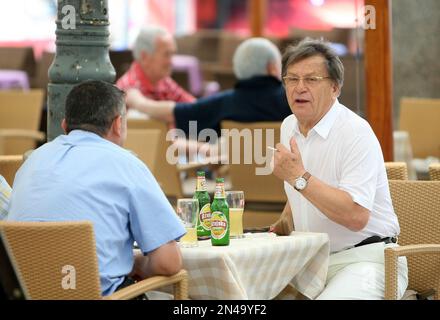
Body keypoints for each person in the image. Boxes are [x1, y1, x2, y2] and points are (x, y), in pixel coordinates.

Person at [6, 80, 185, 296]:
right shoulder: (126, 163)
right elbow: (168, 263)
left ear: (65, 126)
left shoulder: (32, 162)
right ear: (118, 124)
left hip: (29, 293)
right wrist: (137, 264)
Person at [271, 38, 408, 300]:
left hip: (367, 261)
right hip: (309, 263)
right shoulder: (289, 125)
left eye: (311, 79)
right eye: (292, 79)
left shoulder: (355, 132)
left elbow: (356, 216)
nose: (299, 88)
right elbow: (301, 196)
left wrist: (298, 177)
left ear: (335, 87)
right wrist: (281, 225)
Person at [125, 37, 292, 137]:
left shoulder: (224, 103)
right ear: (272, 67)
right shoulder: (293, 100)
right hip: (288, 188)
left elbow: (174, 112)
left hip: (235, 188)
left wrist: (138, 102)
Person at [117, 25, 195, 103]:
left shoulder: (163, 81)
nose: (171, 62)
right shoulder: (127, 88)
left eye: (172, 54)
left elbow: (192, 106)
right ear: (145, 57)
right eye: (166, 54)